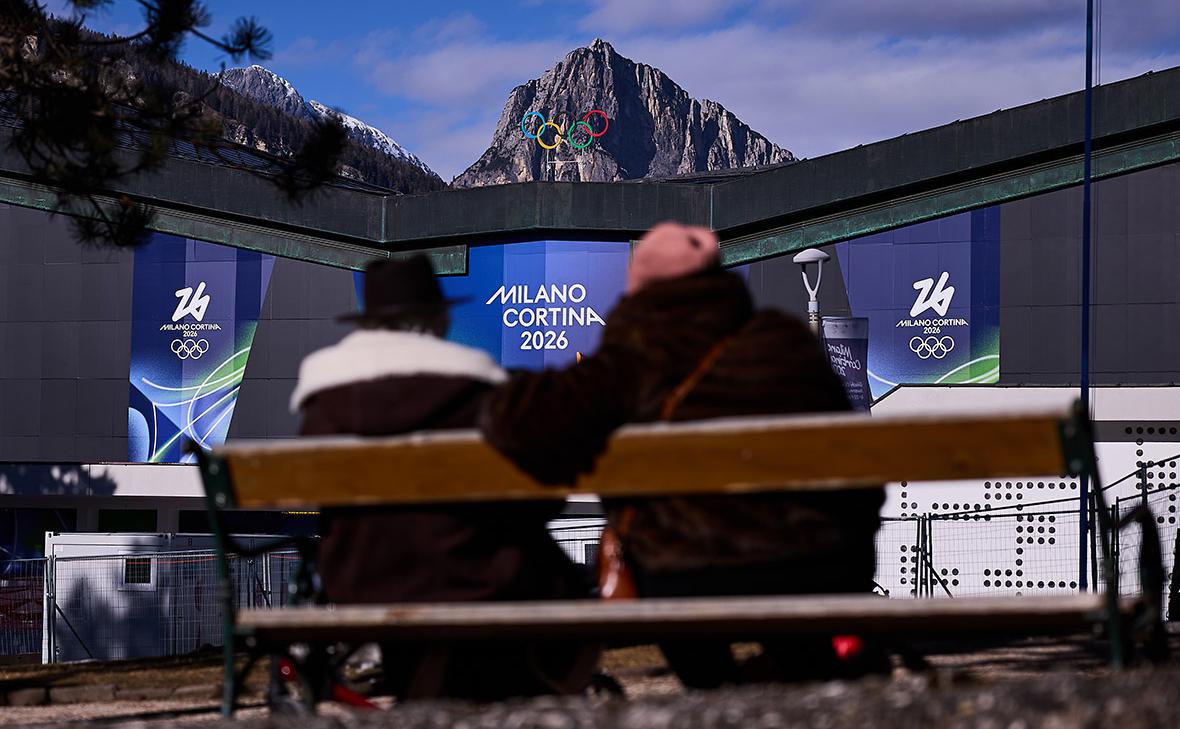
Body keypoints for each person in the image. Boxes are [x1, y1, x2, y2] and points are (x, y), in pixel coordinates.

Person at [480, 223, 885, 687]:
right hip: (811, 561)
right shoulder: (785, 345)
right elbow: (852, 457)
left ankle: (713, 690)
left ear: (640, 288)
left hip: (685, 572)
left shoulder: (631, 360)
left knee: (698, 643)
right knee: (805, 665)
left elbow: (521, 420)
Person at [290, 255, 594, 701]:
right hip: (474, 573)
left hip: (361, 578)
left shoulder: (323, 406)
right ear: (439, 319)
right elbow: (539, 493)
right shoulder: (478, 394)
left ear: (369, 324)